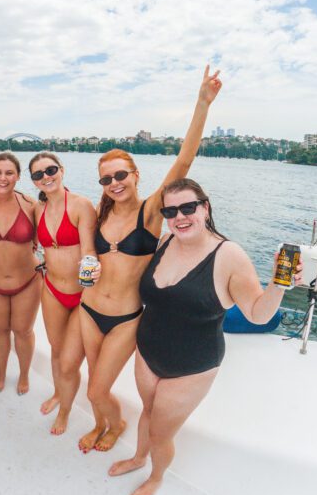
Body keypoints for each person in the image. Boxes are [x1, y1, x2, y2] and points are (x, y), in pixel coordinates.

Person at [108, 178, 304, 495]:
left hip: (191, 366)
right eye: (171, 210)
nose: (180, 216)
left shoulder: (229, 255)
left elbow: (258, 314)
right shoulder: (165, 241)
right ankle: (138, 458)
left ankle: (155, 477)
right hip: (147, 351)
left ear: (205, 207)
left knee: (161, 432)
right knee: (147, 411)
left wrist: (279, 285)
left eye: (188, 208)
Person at [78, 65, 222, 455]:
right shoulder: (100, 213)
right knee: (93, 383)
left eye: (120, 174)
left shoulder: (152, 211)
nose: (114, 184)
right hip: (88, 309)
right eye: (106, 179)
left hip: (125, 317)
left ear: (135, 173)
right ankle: (100, 423)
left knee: (97, 387)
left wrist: (202, 103)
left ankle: (117, 422)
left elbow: (184, 162)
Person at [28, 152, 99, 435]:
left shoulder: (82, 205)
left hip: (81, 296)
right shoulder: (37, 210)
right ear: (33, 181)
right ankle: (59, 393)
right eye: (38, 174)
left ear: (62, 170)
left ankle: (66, 412)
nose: (46, 177)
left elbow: (90, 251)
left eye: (51, 170)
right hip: (52, 289)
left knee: (69, 362)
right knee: (57, 352)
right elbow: (33, 246)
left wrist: (90, 279)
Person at [0, 153, 41, 395]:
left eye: (9, 173)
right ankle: (1, 372)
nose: (3, 178)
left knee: (23, 331)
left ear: (18, 176)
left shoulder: (31, 205)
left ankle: (23, 375)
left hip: (28, 281)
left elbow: (47, 239)